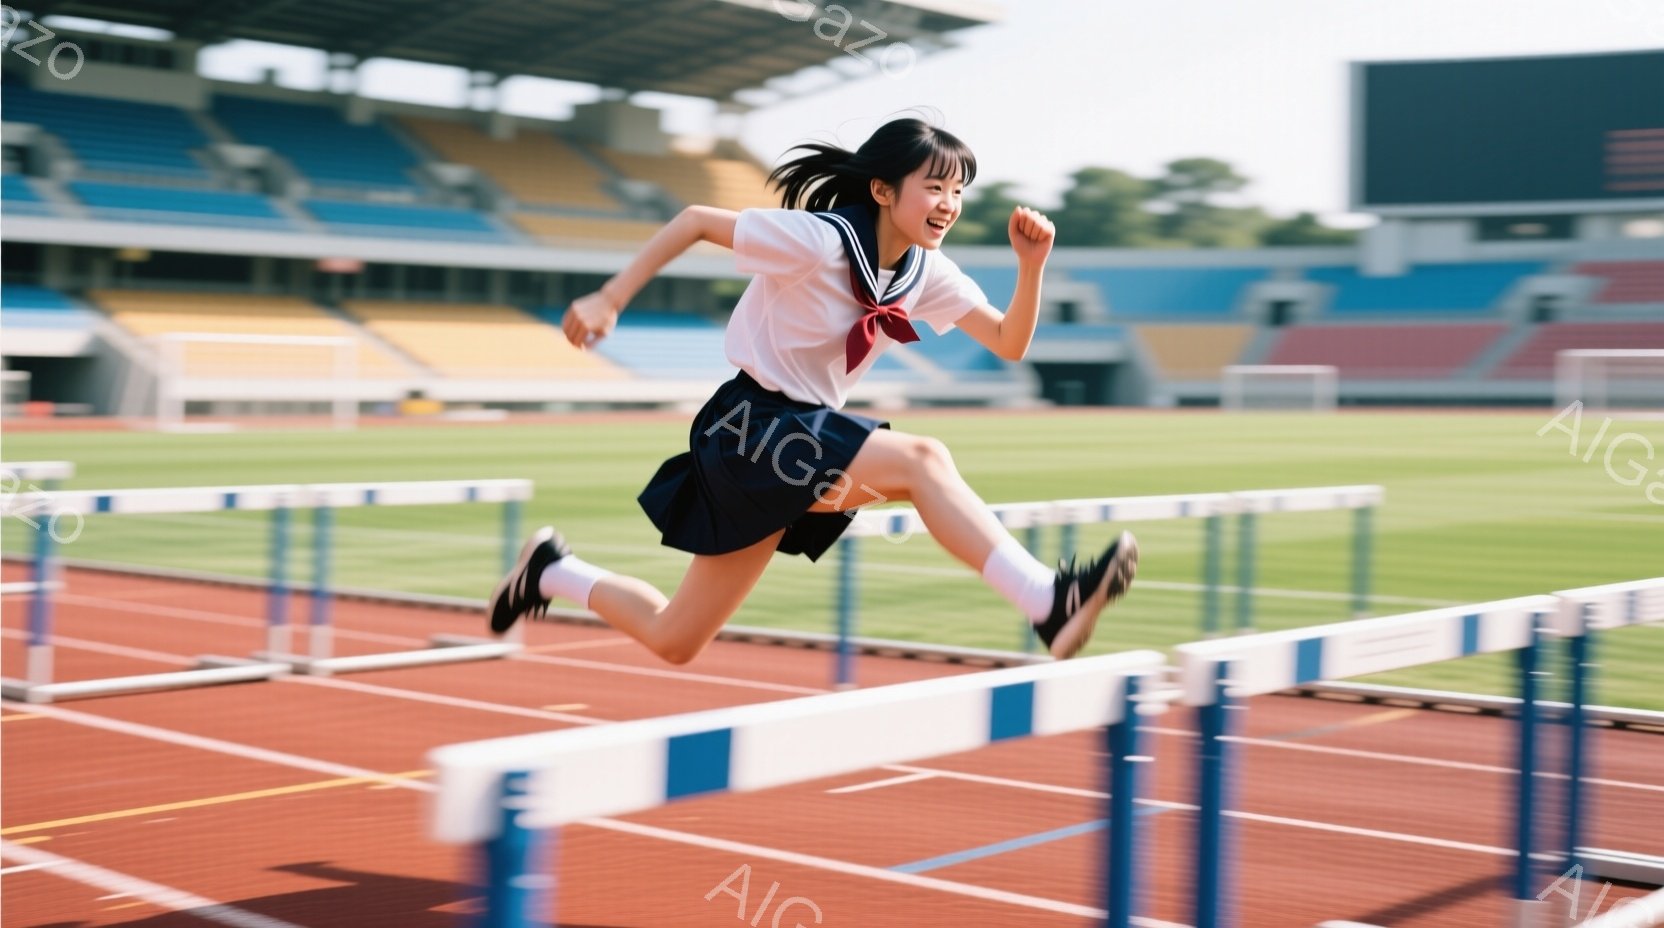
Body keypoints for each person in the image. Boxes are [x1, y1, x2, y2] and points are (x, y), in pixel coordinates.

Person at [489, 117, 1137, 663]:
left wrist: (1032, 268)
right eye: (934, 186)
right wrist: (609, 297)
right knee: (923, 461)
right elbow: (693, 220)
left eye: (959, 191)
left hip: (799, 435)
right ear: (883, 190)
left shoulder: (927, 271)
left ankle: (550, 569)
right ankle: (1046, 600)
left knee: (676, 638)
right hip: (747, 426)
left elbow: (1009, 342)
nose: (949, 203)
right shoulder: (819, 239)